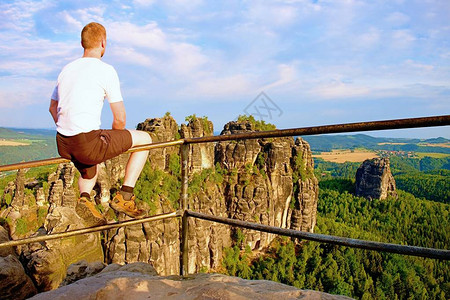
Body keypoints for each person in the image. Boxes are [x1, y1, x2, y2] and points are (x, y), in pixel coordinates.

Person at [49, 22, 152, 225]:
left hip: (63, 142)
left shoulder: (66, 70)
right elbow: (120, 118)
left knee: (90, 166)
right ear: (103, 43)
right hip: (87, 142)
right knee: (146, 139)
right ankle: (125, 196)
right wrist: (116, 140)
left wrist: (70, 131)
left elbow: (53, 108)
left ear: (82, 43)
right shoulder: (105, 70)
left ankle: (85, 198)